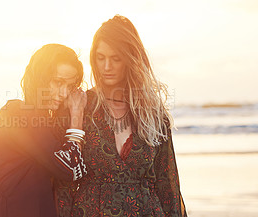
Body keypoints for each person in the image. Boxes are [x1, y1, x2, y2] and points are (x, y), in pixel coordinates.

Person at [55, 15, 187, 216]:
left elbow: (167, 183)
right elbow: (62, 184)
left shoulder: (153, 114)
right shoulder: (79, 107)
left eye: (115, 59)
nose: (106, 67)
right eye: (101, 58)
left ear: (130, 58)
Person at [0, 44, 87, 217]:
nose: (64, 93)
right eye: (58, 82)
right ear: (40, 78)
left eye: (70, 87)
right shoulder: (18, 113)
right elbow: (71, 168)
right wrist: (77, 115)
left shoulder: (46, 122)